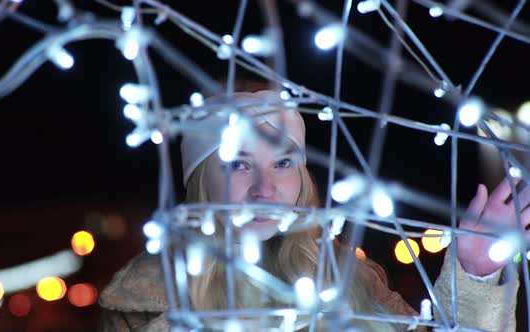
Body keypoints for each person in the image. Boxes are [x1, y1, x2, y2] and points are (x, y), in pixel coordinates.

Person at [99, 90, 520, 331]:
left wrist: (474, 273)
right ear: (201, 182)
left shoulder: (350, 281)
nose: (264, 189)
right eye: (238, 164)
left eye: (283, 163)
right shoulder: (145, 303)